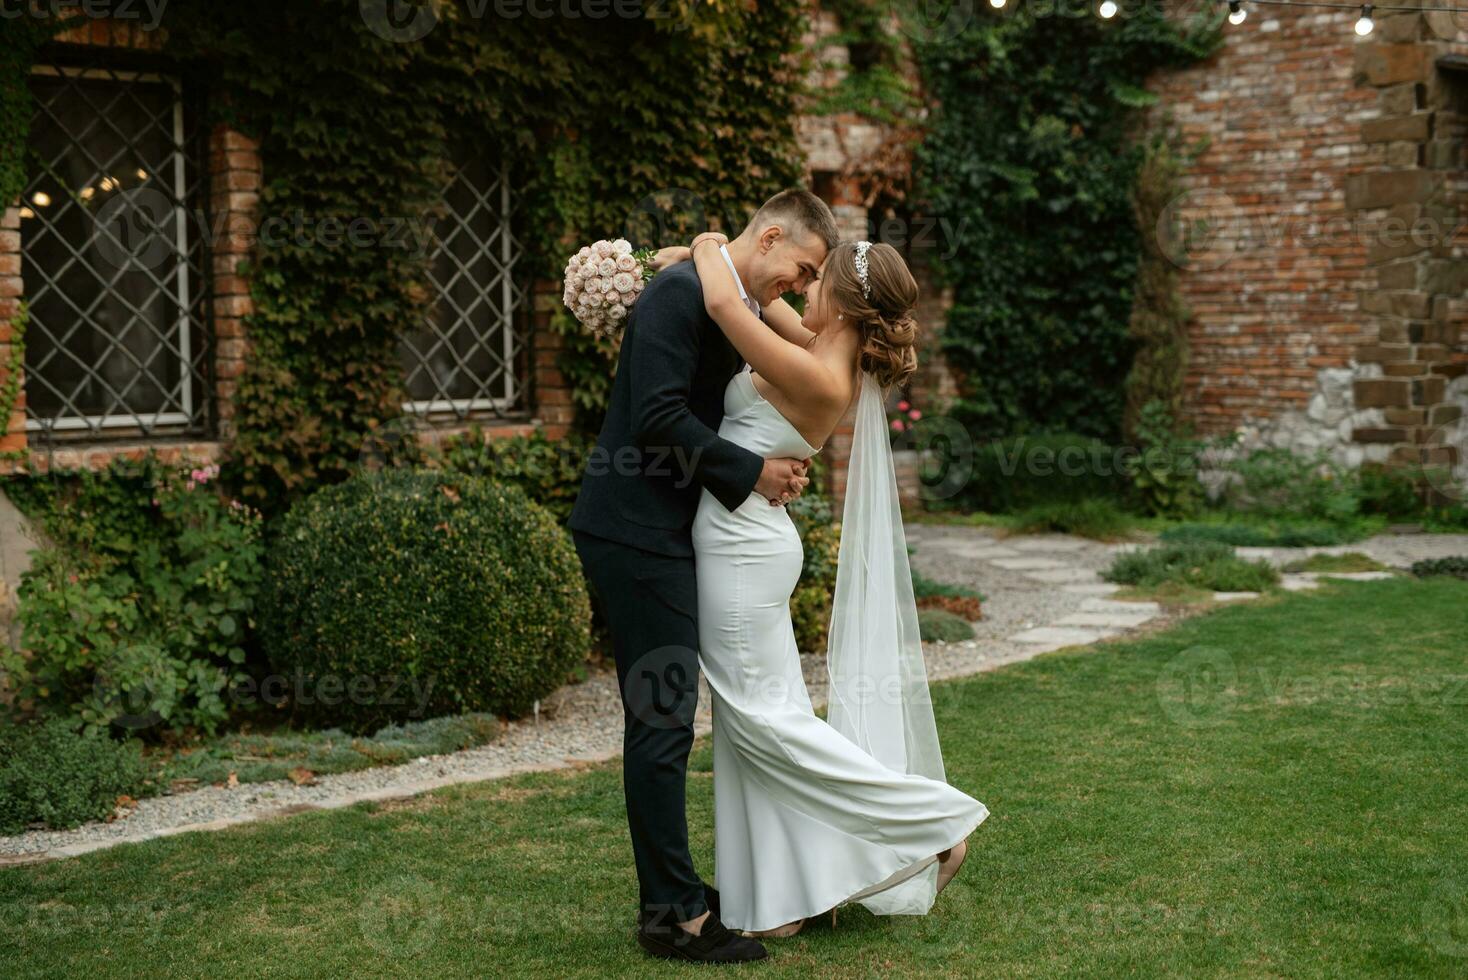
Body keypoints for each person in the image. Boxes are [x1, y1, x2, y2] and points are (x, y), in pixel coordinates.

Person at [677, 229, 990, 937]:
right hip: (749, 544)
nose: (804, 287)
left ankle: (932, 823)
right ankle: (787, 896)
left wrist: (706, 244)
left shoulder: (818, 374)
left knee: (763, 722)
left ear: (845, 306)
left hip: (742, 551)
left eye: (817, 281)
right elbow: (761, 301)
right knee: (756, 720)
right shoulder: (821, 351)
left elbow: (731, 306)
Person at [568, 189, 840, 963]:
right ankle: (676, 917)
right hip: (633, 532)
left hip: (667, 531)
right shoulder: (681, 295)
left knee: (667, 721)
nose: (800, 283)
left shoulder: (723, 296)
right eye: (801, 268)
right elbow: (655, 419)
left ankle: (674, 895)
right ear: (774, 235)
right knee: (660, 722)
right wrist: (751, 472)